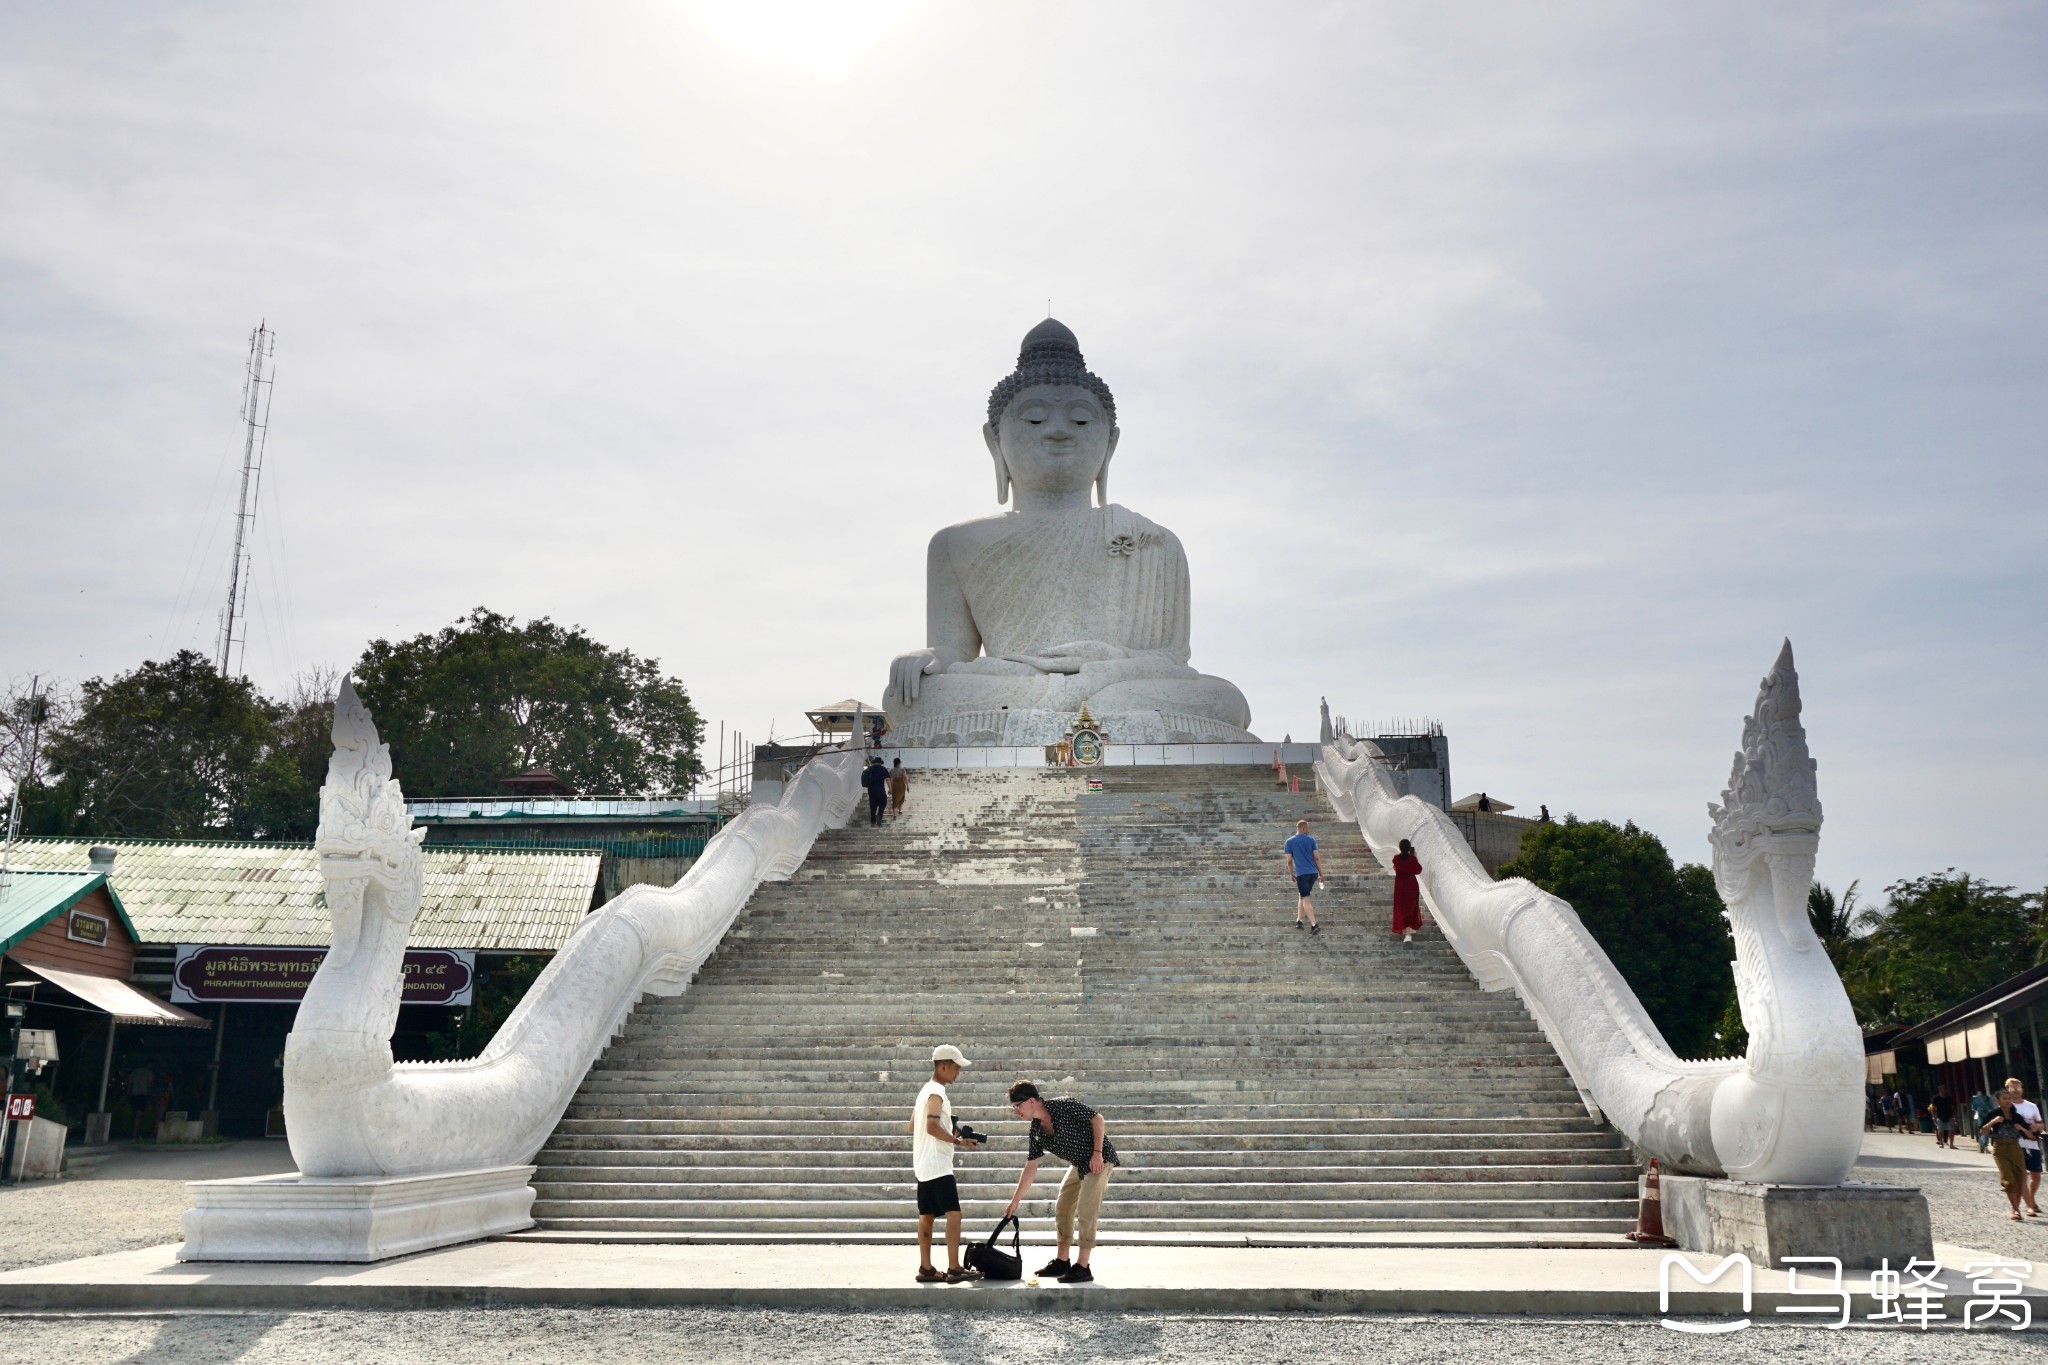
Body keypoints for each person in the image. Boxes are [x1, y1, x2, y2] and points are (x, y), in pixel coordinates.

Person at [1004, 1080, 1119, 1284]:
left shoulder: (1063, 1105)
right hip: (1078, 1162)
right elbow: (1031, 1166)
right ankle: (1062, 1261)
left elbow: (1098, 1119)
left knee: (1086, 1209)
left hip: (1098, 1159)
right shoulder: (1036, 1130)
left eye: (1017, 1106)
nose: (1016, 1111)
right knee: (1063, 1206)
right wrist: (1015, 1201)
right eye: (1013, 1107)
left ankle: (1083, 1267)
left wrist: (1097, 1153)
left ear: (1031, 1101)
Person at [912, 1044, 983, 1283]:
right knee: (954, 1214)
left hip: (923, 1164)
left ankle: (926, 1268)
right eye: (955, 1068)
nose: (957, 1073)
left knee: (927, 1214)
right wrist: (958, 1142)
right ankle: (954, 1267)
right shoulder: (937, 1093)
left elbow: (914, 1125)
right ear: (943, 1066)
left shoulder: (925, 1091)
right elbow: (931, 1127)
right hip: (937, 1164)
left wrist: (949, 1128)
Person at [1983, 1087, 2032, 1222]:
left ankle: (2016, 1208)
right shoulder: (1993, 1114)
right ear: (1998, 1100)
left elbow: (2031, 1136)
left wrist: (2022, 1128)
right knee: (2008, 1180)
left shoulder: (2016, 1116)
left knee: (2019, 1178)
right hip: (2000, 1148)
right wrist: (1993, 1122)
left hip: (2015, 1147)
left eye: (2009, 1098)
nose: (2007, 1101)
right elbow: (1982, 1131)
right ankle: (2015, 1209)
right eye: (2004, 1098)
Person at [2007, 1076, 2043, 1217]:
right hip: (2016, 1145)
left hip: (2032, 1144)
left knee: (2036, 1176)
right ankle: (2024, 1207)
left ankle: (2031, 1199)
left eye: (2018, 1087)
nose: (2015, 1090)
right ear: (2007, 1089)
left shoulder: (2031, 1106)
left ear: (2022, 1089)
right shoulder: (2006, 1106)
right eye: (2012, 1088)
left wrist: (2036, 1126)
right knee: (2022, 1176)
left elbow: (2041, 1124)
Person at [1283, 819, 1321, 934]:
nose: (1308, 831)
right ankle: (1299, 920)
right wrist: (1321, 873)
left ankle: (1314, 925)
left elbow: (1289, 861)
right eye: (1307, 829)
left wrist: (1291, 874)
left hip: (1302, 874)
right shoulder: (1311, 840)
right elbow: (1317, 858)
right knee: (1302, 895)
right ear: (1303, 828)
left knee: (1306, 899)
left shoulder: (1289, 842)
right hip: (1313, 873)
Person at [1391, 838, 1424, 943]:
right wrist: (1414, 857)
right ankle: (1409, 931)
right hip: (1411, 884)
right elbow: (1418, 870)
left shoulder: (1396, 858)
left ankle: (1405, 930)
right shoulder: (1412, 859)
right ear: (1409, 848)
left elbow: (1396, 868)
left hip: (1400, 885)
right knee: (1411, 907)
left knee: (1401, 907)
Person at [861, 756, 889, 826]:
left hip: (871, 791)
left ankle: (873, 820)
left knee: (872, 805)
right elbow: (888, 780)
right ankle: (879, 814)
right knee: (883, 802)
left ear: (874, 762)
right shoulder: (883, 769)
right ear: (880, 763)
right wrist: (890, 789)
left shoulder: (869, 769)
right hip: (880, 790)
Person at [1971, 1088, 1997, 1153]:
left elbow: (1990, 1106)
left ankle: (1983, 1145)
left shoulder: (1987, 1098)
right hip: (1980, 1116)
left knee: (1985, 1131)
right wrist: (1978, 1110)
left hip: (1987, 1116)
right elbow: (1973, 1108)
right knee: (1984, 1131)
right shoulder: (1976, 1099)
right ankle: (1983, 1145)